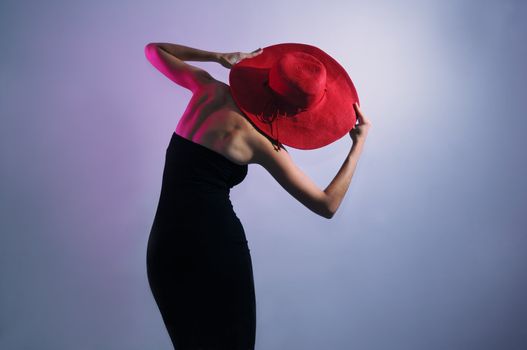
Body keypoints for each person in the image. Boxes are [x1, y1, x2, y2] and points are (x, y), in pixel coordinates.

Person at [144, 41, 372, 350]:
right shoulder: (262, 144)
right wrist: (357, 146)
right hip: (216, 251)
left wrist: (217, 56)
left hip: (163, 248)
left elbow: (153, 50)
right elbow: (327, 204)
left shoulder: (208, 89)